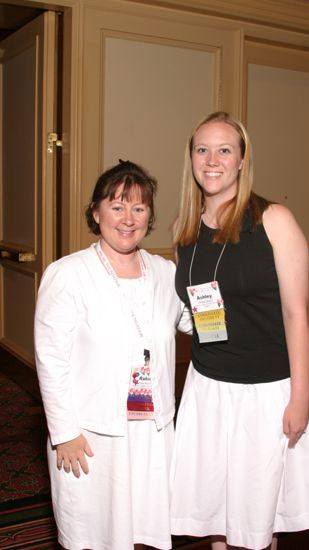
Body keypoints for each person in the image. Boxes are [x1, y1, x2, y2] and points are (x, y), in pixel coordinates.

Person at [170, 111, 309, 550]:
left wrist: (300, 398)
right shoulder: (184, 229)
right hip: (207, 390)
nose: (212, 159)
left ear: (242, 160)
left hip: (267, 391)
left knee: (258, 522)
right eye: (202, 149)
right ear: (191, 158)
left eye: (225, 150)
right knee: (220, 518)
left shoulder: (273, 219)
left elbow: (297, 315)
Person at [34, 159, 191, 550]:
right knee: (95, 535)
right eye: (117, 206)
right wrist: (64, 433)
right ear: (95, 212)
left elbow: (201, 322)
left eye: (139, 208)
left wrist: (216, 265)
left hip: (152, 433)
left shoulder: (165, 273)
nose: (128, 218)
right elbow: (51, 359)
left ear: (150, 216)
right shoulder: (69, 274)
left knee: (144, 532)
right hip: (92, 437)